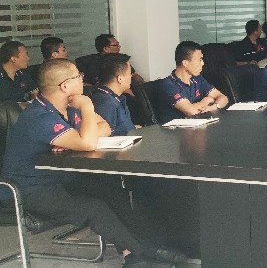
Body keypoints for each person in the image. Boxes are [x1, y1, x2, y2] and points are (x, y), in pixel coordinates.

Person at [0, 58, 187, 267]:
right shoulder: (40, 116)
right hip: (28, 190)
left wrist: (77, 138)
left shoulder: (67, 107)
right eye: (78, 76)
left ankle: (136, 251)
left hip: (60, 179)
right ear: (65, 86)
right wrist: (87, 107)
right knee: (94, 208)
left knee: (112, 191)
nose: (82, 79)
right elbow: (88, 142)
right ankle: (146, 252)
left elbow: (105, 126)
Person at [157, 41, 229, 123]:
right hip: (177, 129)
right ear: (185, 63)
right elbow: (191, 111)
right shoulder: (168, 85)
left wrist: (214, 106)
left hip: (198, 125)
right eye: (199, 60)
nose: (202, 63)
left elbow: (223, 98)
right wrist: (207, 100)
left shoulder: (197, 79)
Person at [92, 53, 139, 136]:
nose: (131, 76)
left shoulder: (113, 97)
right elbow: (106, 137)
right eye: (129, 73)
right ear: (119, 78)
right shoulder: (105, 103)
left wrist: (133, 128)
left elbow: (119, 128)